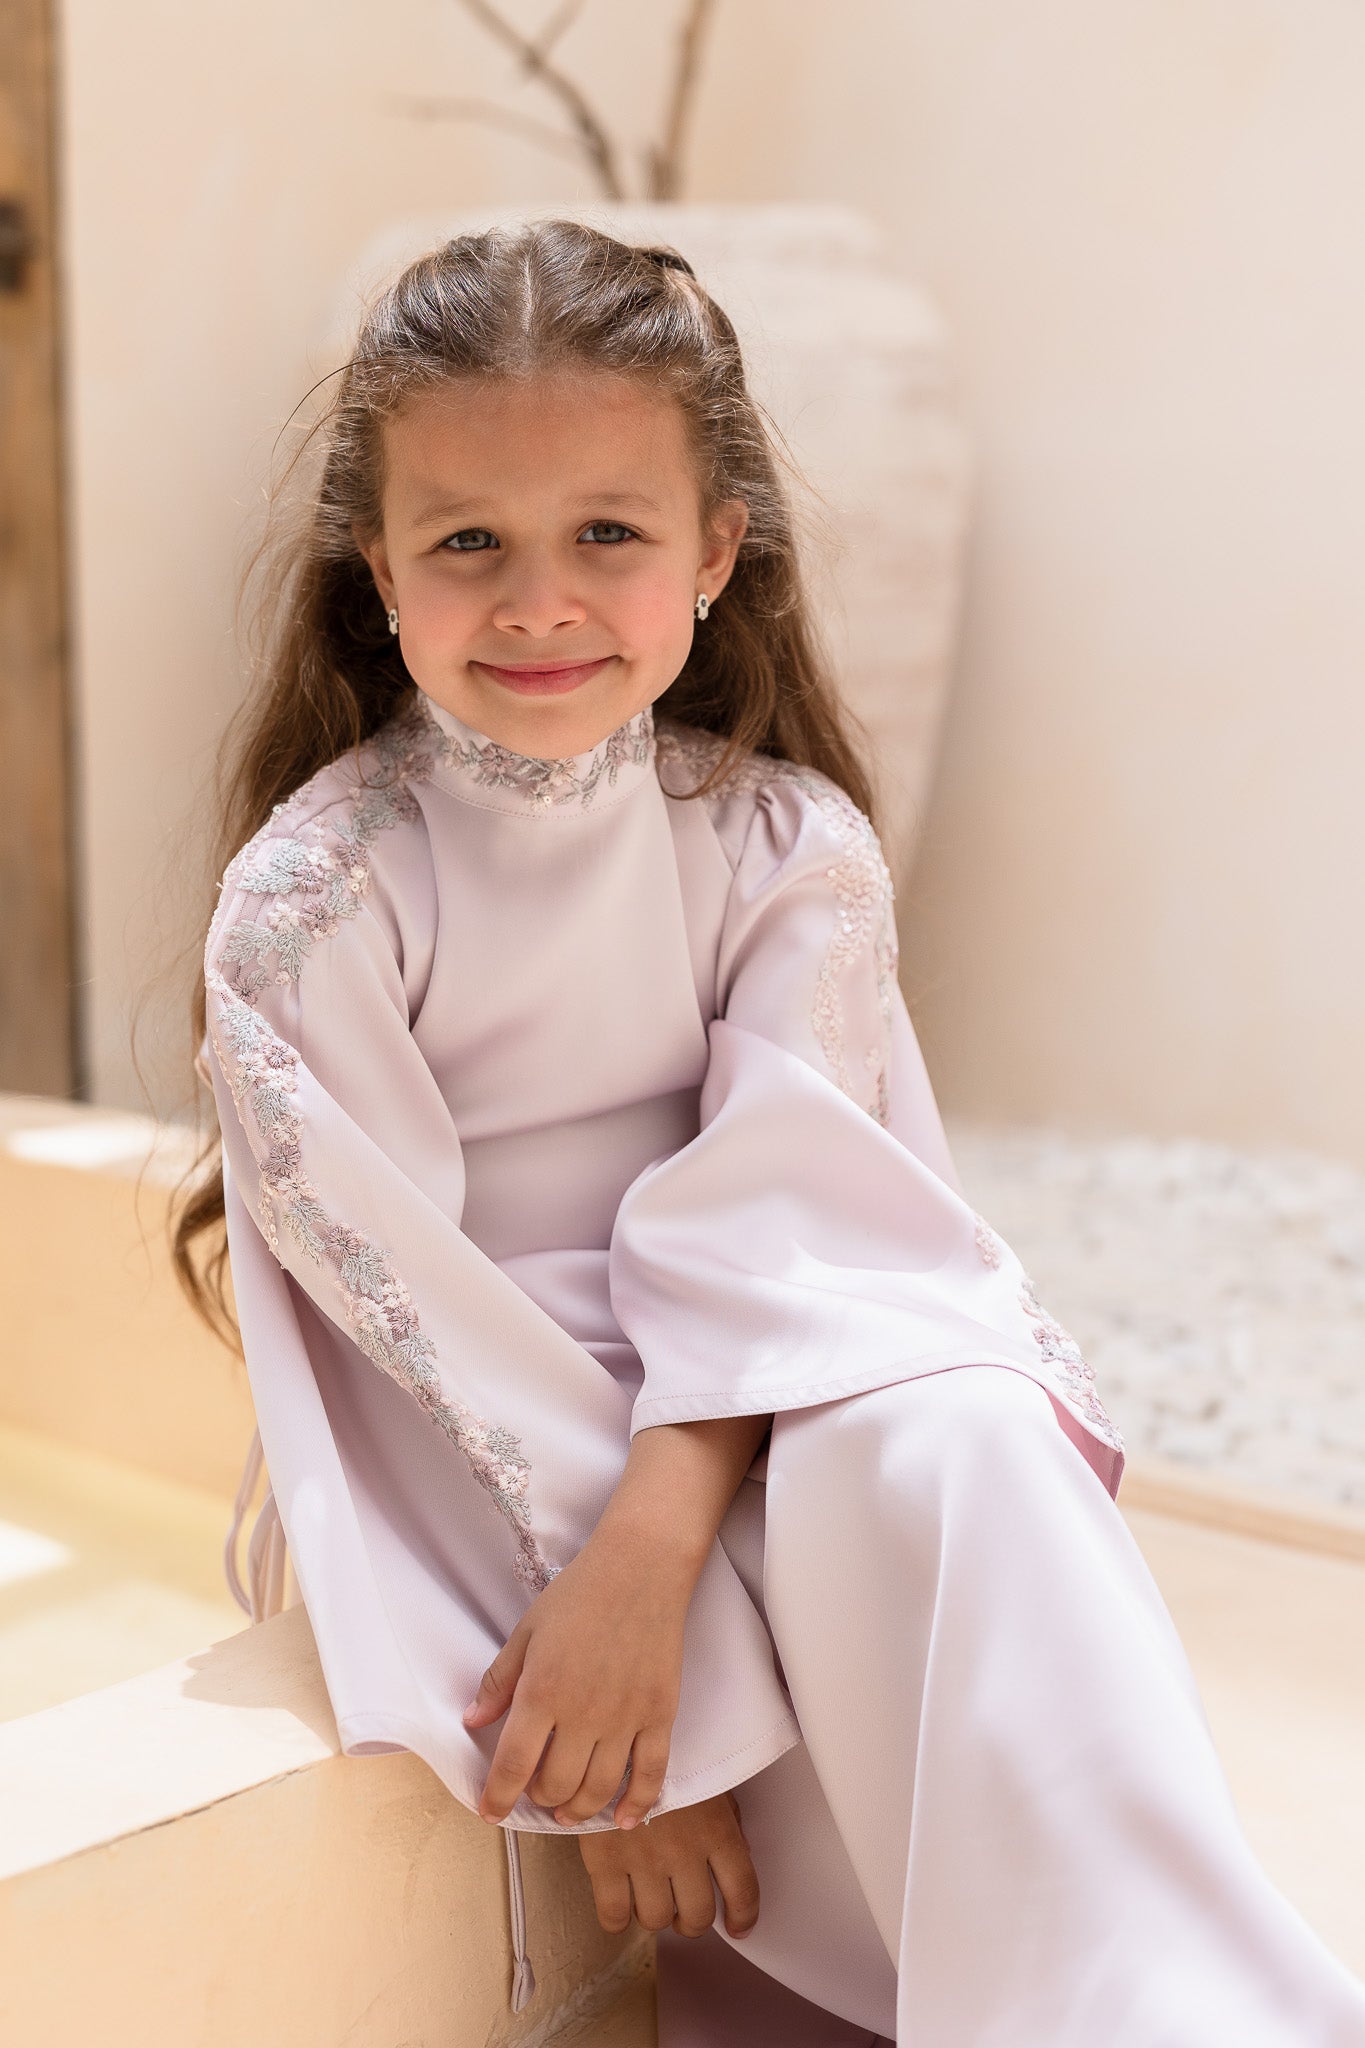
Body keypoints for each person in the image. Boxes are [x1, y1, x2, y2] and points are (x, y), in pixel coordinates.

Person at [176, 219, 1365, 2045]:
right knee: (837, 1472)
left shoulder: (782, 847)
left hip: (748, 1407)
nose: (539, 601)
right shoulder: (310, 908)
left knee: (961, 1431)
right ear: (375, 566)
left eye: (609, 532)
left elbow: (806, 1235)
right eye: (468, 541)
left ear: (717, 551)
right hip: (486, 1496)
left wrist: (660, 1551)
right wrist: (641, 1713)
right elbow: (405, 1345)